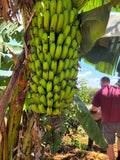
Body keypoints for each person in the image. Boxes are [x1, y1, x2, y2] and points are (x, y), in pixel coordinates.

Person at [91, 76, 120, 160]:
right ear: (109, 82)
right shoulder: (118, 89)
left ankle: (112, 159)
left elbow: (93, 108)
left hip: (107, 122)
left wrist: (96, 111)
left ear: (102, 82)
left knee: (109, 144)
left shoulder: (99, 92)